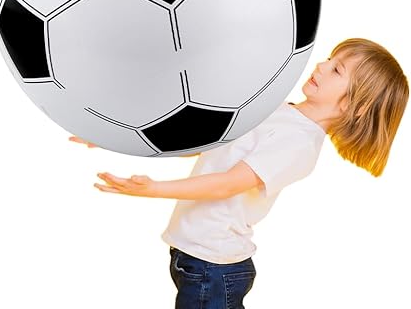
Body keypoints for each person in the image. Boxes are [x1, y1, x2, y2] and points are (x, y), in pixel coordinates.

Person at [69, 37, 407, 308]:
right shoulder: (281, 110)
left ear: (354, 105)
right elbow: (209, 142)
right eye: (329, 59)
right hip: (195, 257)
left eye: (336, 70)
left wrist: (152, 189)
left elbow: (228, 185)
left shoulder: (299, 143)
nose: (321, 65)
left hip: (213, 267)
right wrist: (126, 140)